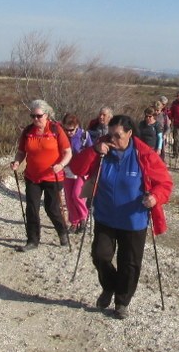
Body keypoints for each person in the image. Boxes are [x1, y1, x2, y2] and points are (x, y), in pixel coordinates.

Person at [68, 114, 173, 319]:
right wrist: (94, 151)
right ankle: (109, 287)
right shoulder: (101, 149)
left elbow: (165, 184)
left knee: (130, 264)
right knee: (100, 256)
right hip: (105, 216)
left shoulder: (144, 154)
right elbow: (76, 168)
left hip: (133, 219)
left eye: (117, 136)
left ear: (129, 134)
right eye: (110, 135)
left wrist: (154, 198)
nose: (112, 139)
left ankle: (122, 302)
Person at [11, 100, 72, 251]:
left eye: (38, 116)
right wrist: (17, 162)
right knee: (32, 208)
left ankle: (62, 232)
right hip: (32, 176)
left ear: (47, 115)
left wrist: (61, 165)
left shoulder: (56, 129)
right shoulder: (27, 131)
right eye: (33, 116)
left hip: (53, 176)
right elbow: (21, 152)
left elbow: (67, 152)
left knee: (51, 209)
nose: (35, 119)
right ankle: (32, 240)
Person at [61, 113, 93, 233]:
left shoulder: (84, 136)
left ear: (77, 126)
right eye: (66, 129)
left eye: (71, 130)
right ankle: (74, 222)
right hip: (68, 170)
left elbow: (91, 151)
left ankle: (83, 217)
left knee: (77, 195)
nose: (69, 132)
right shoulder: (62, 136)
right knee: (69, 198)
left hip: (81, 171)